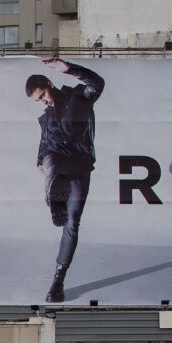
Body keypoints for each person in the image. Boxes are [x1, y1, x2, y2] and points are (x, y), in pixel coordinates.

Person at [24, 57, 105, 304]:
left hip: (80, 165)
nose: (45, 101)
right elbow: (44, 144)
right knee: (51, 161)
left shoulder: (78, 97)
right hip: (57, 162)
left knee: (73, 223)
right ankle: (54, 199)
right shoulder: (46, 118)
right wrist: (40, 161)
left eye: (44, 95)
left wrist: (68, 68)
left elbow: (98, 83)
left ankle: (58, 280)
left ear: (50, 83)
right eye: (39, 100)